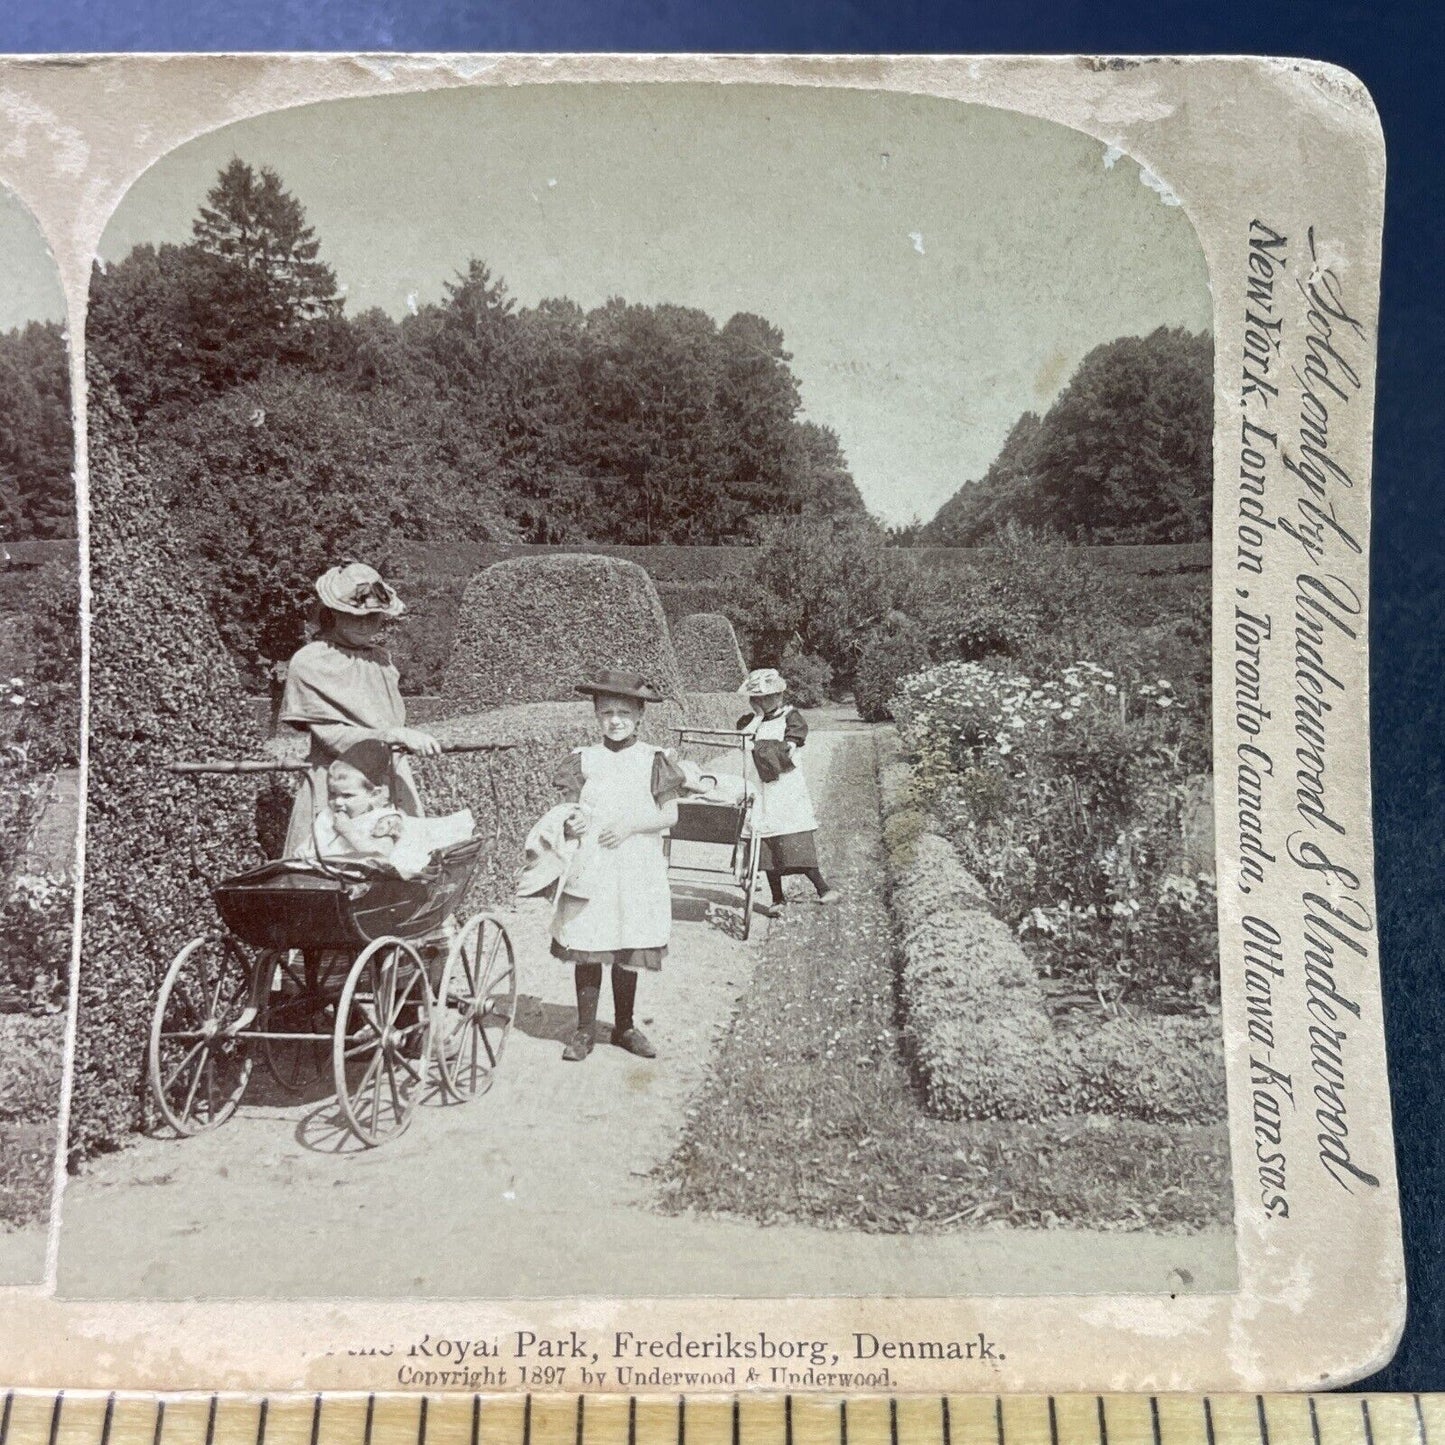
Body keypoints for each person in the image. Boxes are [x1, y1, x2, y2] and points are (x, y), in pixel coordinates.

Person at [547, 669, 686, 1062]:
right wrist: (571, 821)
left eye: (624, 712)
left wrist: (630, 825)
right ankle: (584, 1030)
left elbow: (670, 815)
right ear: (596, 714)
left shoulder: (654, 759)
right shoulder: (583, 759)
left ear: (640, 715)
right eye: (607, 712)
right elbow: (567, 809)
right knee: (589, 941)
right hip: (592, 865)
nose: (615, 720)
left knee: (629, 938)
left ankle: (624, 1026)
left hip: (636, 864)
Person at [279, 562, 441, 859]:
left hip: (389, 781)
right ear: (334, 614)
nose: (366, 624)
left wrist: (398, 738)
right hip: (338, 784)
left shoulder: (381, 660)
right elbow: (332, 737)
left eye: (373, 616)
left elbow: (388, 717)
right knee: (330, 870)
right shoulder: (311, 661)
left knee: (401, 866)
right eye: (356, 616)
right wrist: (393, 734)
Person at [736, 666, 838, 917]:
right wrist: (758, 719)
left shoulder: (791, 718)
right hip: (759, 789)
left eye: (769, 697)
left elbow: (788, 750)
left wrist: (761, 747)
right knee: (767, 841)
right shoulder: (749, 722)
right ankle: (777, 898)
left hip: (785, 788)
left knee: (793, 839)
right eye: (757, 698)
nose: (763, 702)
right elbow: (741, 740)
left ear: (780, 695)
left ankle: (822, 888)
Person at [301, 738, 474, 879]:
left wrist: (349, 832)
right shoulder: (330, 816)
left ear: (374, 795)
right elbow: (314, 843)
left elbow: (381, 856)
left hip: (366, 882)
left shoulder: (384, 820)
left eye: (347, 796)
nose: (338, 802)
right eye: (332, 794)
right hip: (325, 876)